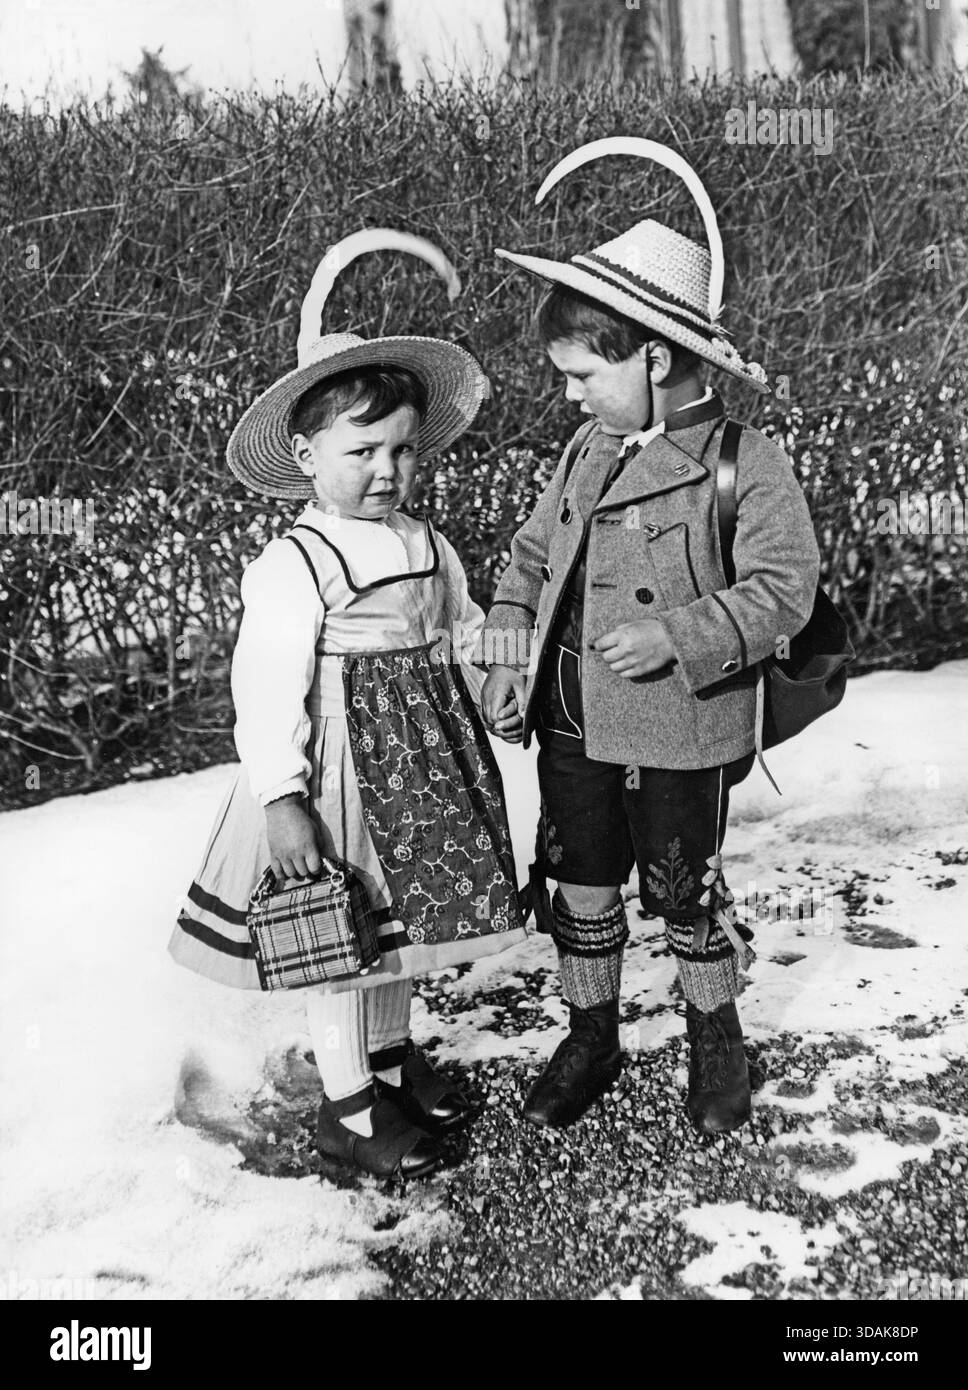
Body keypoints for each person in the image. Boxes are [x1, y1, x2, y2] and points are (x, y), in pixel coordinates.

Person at [170, 233, 527, 1181]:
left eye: (404, 451)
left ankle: (386, 1061)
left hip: (425, 765)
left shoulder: (425, 542)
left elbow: (468, 622)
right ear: (306, 453)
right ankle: (349, 1110)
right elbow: (264, 686)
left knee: (400, 934)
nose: (386, 471)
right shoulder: (298, 562)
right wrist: (283, 796)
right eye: (361, 450)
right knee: (342, 940)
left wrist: (501, 662)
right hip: (338, 775)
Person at [481, 141, 821, 1135]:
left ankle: (715, 1034)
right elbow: (530, 559)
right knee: (580, 883)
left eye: (585, 374)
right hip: (574, 726)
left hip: (678, 732)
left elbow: (782, 590)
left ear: (654, 359)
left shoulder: (742, 464)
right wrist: (508, 636)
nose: (571, 395)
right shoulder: (583, 453)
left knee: (684, 891)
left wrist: (679, 634)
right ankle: (590, 1031)